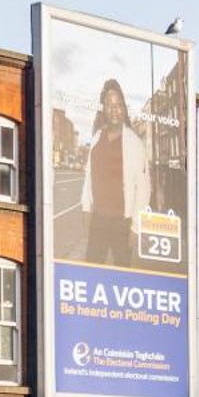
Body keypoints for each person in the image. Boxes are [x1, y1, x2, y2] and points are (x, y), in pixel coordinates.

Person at [80, 78, 150, 266]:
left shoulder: (134, 143)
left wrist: (136, 228)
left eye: (118, 105)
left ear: (124, 108)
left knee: (122, 276)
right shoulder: (97, 138)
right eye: (109, 105)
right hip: (98, 220)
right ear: (103, 108)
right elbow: (89, 176)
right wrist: (86, 207)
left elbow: (143, 189)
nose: (114, 110)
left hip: (123, 224)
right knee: (92, 272)